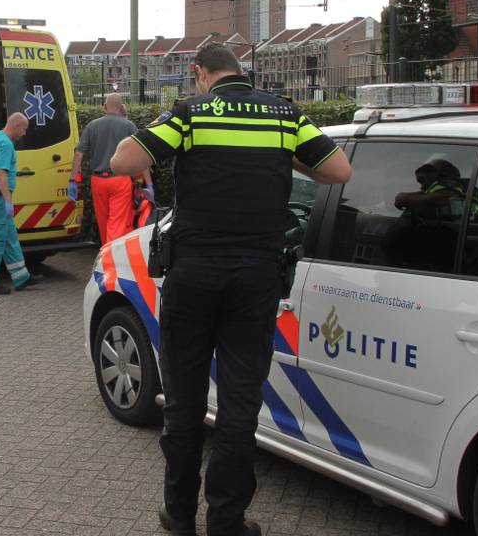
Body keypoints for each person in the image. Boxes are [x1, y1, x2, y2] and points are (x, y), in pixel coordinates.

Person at [110, 43, 352, 536]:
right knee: (240, 407)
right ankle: (227, 521)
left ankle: (178, 514)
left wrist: (173, 133)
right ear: (243, 72)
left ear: (200, 72)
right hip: (255, 280)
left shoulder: (190, 113)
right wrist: (284, 158)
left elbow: (122, 160)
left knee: (183, 402)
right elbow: (338, 171)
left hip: (194, 277)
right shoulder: (285, 115)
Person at [69, 93, 154, 244]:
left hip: (98, 181)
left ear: (104, 107)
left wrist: (72, 180)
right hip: (120, 181)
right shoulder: (128, 126)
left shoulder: (92, 126)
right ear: (121, 108)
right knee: (117, 224)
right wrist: (149, 184)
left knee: (103, 222)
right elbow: (142, 156)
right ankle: (112, 261)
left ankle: (105, 254)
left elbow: (78, 154)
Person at [0, 112, 44, 295]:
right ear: (15, 126)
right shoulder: (6, 144)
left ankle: (21, 277)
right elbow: (0, 173)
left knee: (9, 236)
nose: (24, 133)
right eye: (24, 129)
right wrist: (7, 200)